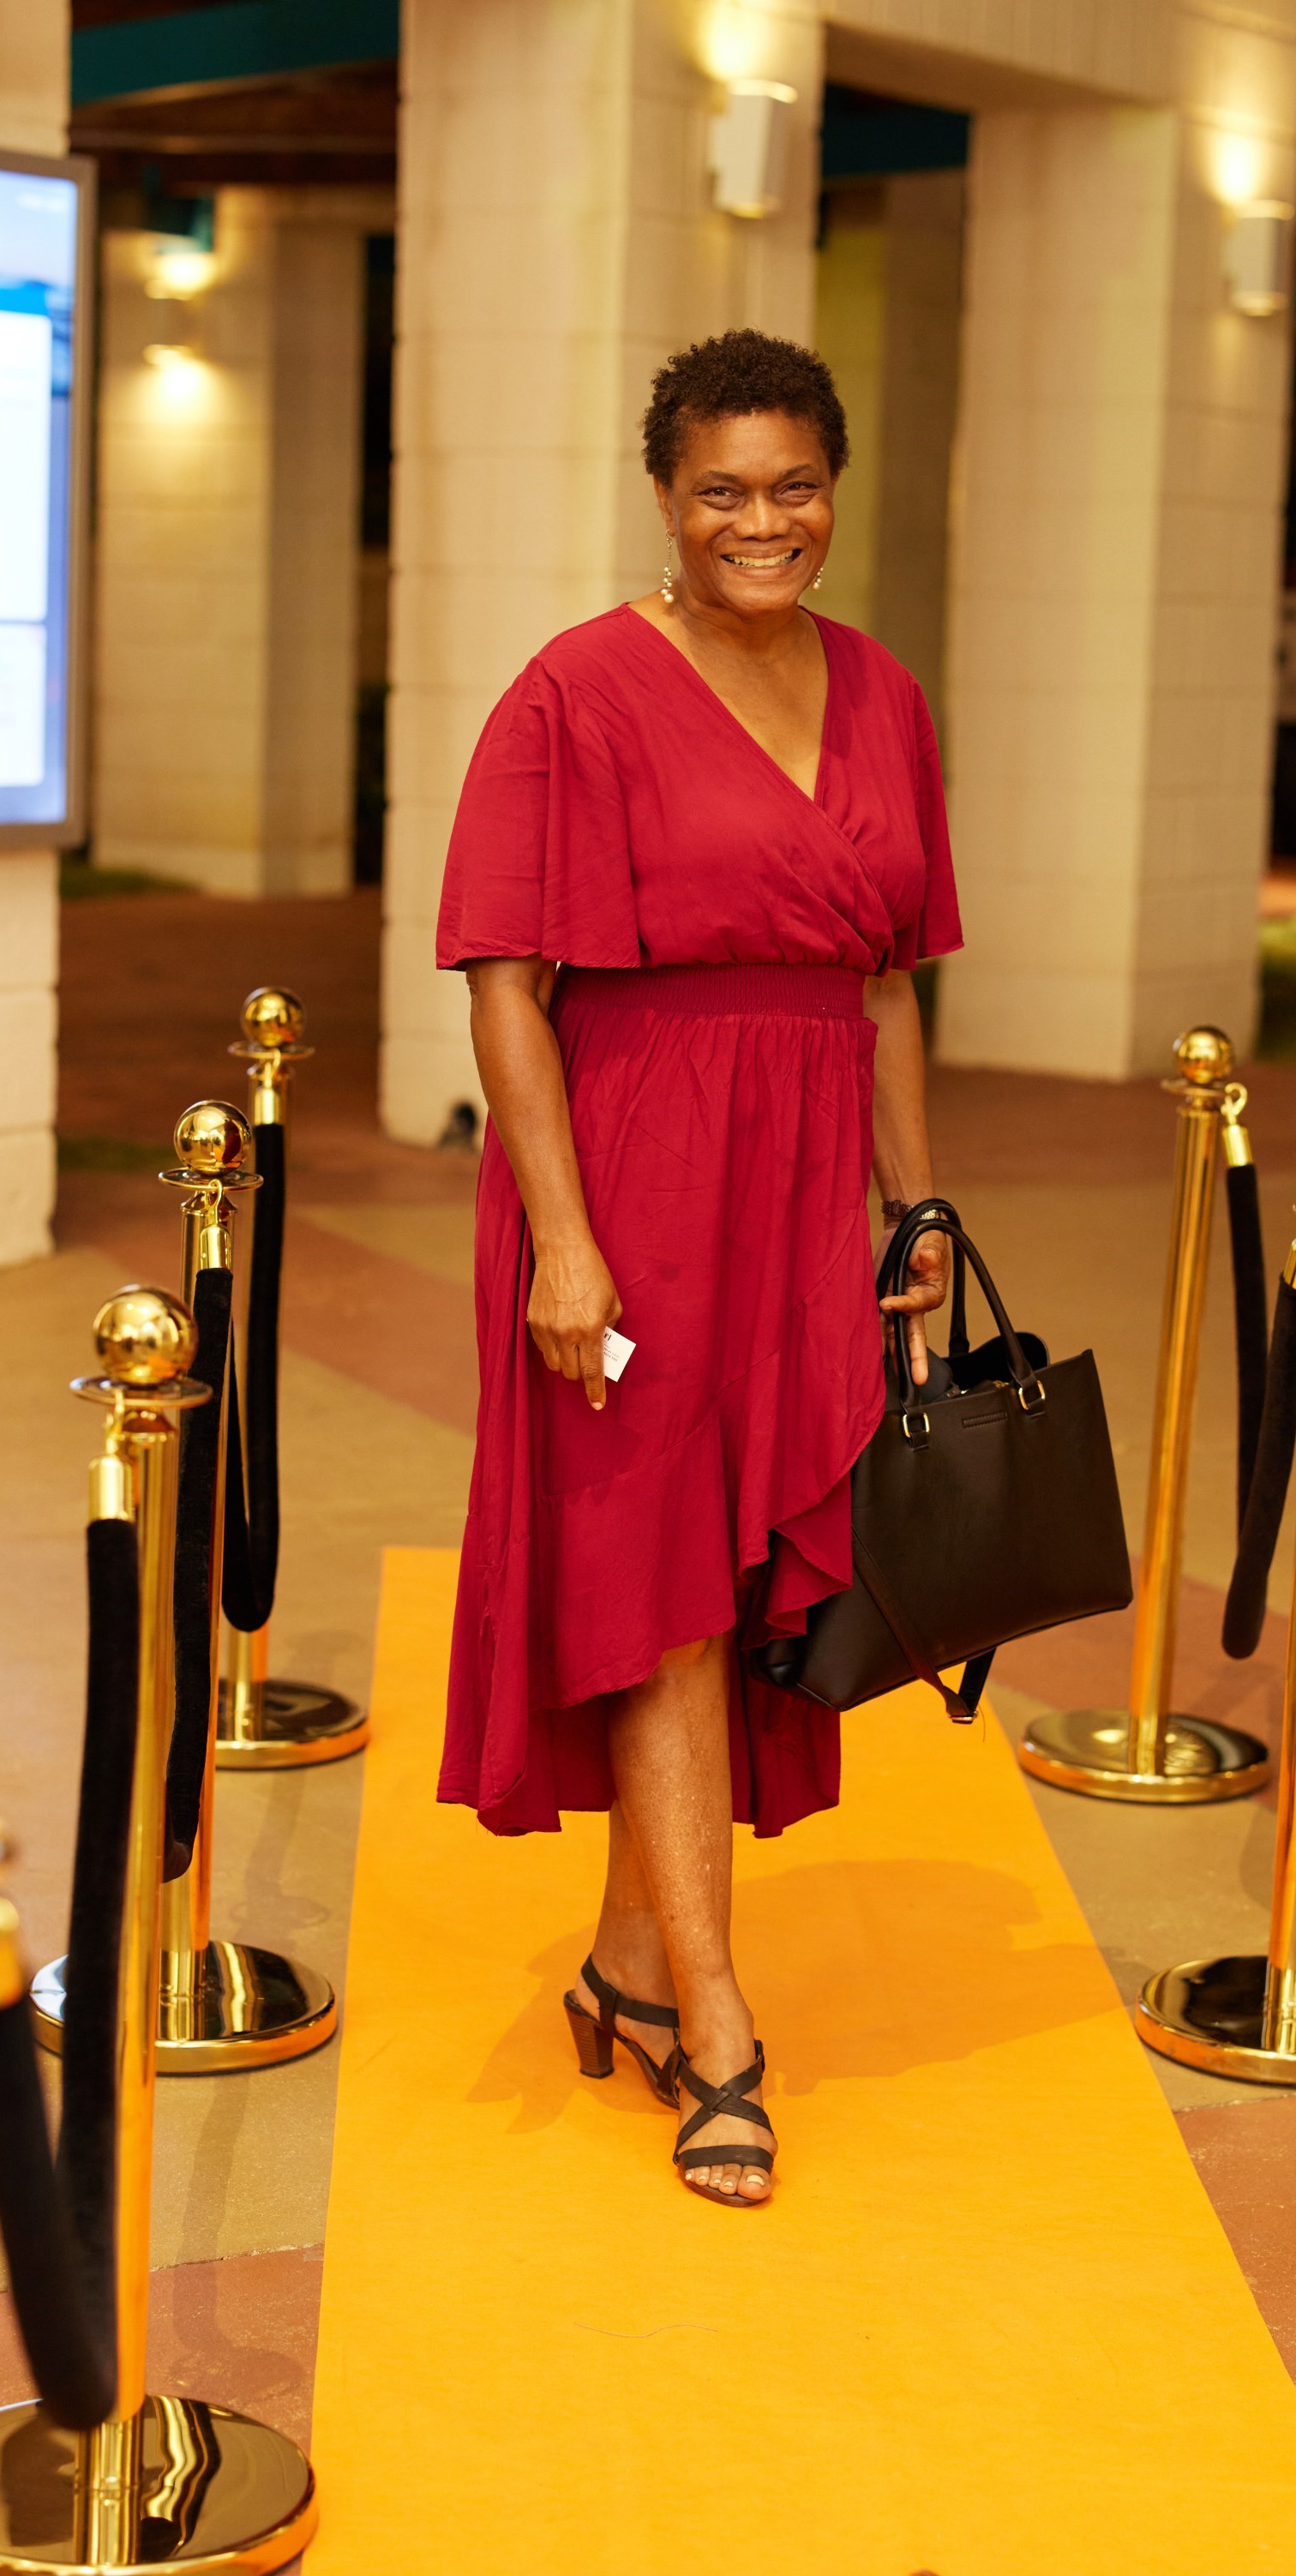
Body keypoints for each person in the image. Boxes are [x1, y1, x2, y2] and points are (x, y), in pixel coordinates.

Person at [436, 328, 962, 2204]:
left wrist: (917, 1214)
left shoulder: (884, 693)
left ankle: (630, 1964)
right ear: (665, 498)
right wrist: (566, 1241)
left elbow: (883, 985)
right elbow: (507, 984)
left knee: (738, 1585)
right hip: (636, 1171)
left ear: (835, 490)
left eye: (794, 485)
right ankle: (717, 2021)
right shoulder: (574, 692)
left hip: (807, 1182)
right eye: (722, 489)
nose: (763, 520)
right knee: (662, 1588)